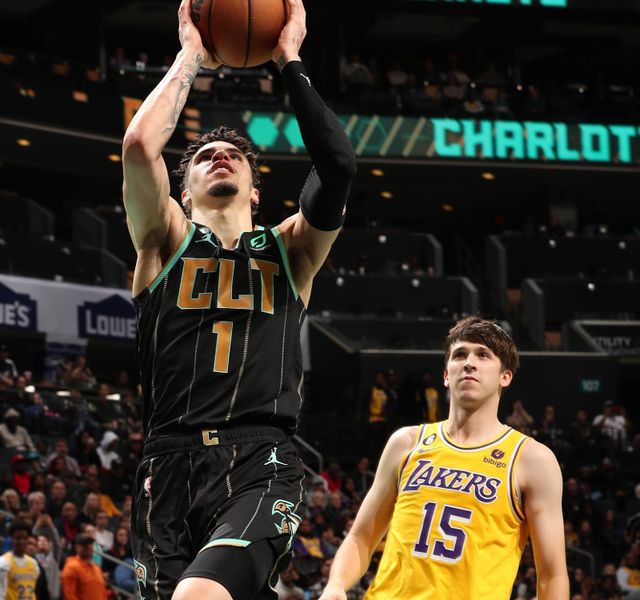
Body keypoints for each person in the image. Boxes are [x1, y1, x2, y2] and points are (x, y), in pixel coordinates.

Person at [121, 0, 355, 597]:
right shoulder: (162, 239)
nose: (219, 157)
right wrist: (190, 56)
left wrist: (289, 59)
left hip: (260, 460)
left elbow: (337, 164)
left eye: (234, 156)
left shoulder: (291, 249)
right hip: (165, 467)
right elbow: (140, 147)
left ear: (255, 192)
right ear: (184, 190)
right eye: (203, 158)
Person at [318, 317, 568, 599]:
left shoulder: (531, 460)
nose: (469, 363)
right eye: (460, 355)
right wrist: (336, 584)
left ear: (505, 376)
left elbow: (552, 574)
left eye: (483, 355)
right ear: (446, 375)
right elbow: (361, 536)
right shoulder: (406, 443)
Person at [0, 522, 40, 600]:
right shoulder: (2, 564)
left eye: (25, 538)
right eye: (18, 538)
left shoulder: (33, 564)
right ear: (11, 539)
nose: (21, 541)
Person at [60, 533, 109, 600]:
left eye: (90, 544)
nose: (88, 546)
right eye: (84, 544)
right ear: (77, 547)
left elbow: (102, 592)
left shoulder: (97, 568)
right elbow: (69, 595)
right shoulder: (71, 567)